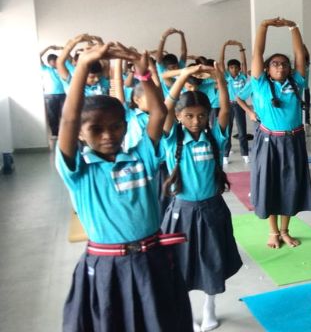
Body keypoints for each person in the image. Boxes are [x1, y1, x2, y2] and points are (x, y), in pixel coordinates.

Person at [56, 43, 192, 331]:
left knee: (162, 323)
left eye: (116, 126)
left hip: (152, 260)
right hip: (108, 266)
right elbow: (68, 118)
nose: (108, 134)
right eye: (96, 129)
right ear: (79, 134)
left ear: (125, 125)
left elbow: (159, 114)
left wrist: (145, 74)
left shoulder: (141, 157)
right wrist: (81, 66)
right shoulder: (79, 171)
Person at [160, 63, 243, 332]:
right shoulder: (172, 139)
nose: (196, 121)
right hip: (182, 211)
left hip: (212, 209)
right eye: (189, 116)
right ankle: (186, 311)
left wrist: (220, 79)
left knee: (212, 261)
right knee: (179, 263)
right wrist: (183, 76)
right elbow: (165, 108)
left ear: (208, 116)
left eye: (201, 115)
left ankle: (209, 307)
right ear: (179, 116)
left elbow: (226, 108)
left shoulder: (214, 138)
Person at [250, 17, 311, 248]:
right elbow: (258, 52)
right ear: (267, 69)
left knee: (290, 185)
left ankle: (285, 230)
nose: (280, 67)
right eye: (275, 64)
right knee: (270, 185)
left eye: (284, 64)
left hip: (293, 140)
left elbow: (299, 54)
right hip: (269, 141)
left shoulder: (296, 82)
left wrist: (293, 27)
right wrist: (264, 26)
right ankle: (273, 232)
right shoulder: (260, 84)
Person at [220, 40, 250, 164]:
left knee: (242, 130)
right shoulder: (226, 77)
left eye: (236, 67)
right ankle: (225, 154)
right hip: (228, 105)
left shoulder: (242, 76)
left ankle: (245, 154)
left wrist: (240, 46)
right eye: (231, 67)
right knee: (227, 130)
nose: (234, 69)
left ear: (239, 69)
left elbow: (244, 62)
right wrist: (224, 46)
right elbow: (221, 62)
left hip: (239, 105)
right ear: (228, 69)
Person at [39, 44, 66, 145]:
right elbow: (37, 56)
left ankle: (65, 132)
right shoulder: (46, 69)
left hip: (63, 94)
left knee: (65, 114)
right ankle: (55, 133)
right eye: (53, 61)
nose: (55, 63)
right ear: (49, 62)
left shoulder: (62, 68)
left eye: (56, 61)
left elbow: (69, 59)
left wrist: (63, 49)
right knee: (52, 115)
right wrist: (48, 48)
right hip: (50, 95)